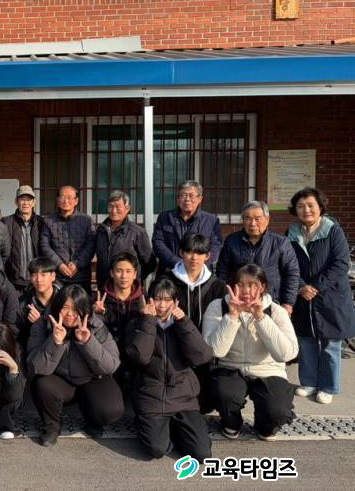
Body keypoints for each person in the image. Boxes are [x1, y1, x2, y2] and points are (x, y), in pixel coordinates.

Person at [203, 264, 298, 441]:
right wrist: (232, 316)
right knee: (224, 394)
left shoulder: (276, 311)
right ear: (232, 286)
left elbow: (287, 354)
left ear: (262, 287)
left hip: (268, 370)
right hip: (229, 367)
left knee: (277, 410)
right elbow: (215, 351)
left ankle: (265, 425)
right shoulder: (218, 307)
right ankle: (231, 422)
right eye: (240, 284)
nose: (246, 291)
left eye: (252, 285)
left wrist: (261, 317)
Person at [124, 278, 213, 462]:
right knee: (157, 449)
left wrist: (184, 323)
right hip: (151, 397)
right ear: (149, 300)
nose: (162, 305)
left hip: (183, 397)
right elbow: (141, 357)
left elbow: (202, 357)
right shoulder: (137, 323)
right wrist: (148, 321)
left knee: (202, 453)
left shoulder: (183, 323)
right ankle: (152, 426)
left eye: (167, 300)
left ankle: (172, 428)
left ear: (175, 302)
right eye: (157, 299)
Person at [27, 284, 124, 446]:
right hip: (59, 380)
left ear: (84, 309)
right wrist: (55, 342)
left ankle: (93, 421)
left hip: (91, 378)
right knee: (42, 385)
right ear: (57, 308)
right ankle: (51, 426)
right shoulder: (43, 324)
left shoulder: (97, 325)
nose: (70, 314)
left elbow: (111, 366)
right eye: (65, 308)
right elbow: (36, 367)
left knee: (111, 409)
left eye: (75, 308)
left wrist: (88, 342)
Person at [286, 187, 355, 405]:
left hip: (331, 295)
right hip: (303, 296)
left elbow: (341, 263)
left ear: (321, 207)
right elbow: (287, 263)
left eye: (310, 205)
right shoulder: (291, 232)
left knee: (330, 344)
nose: (306, 210)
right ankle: (309, 382)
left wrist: (315, 286)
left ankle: (328, 386)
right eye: (301, 206)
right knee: (306, 340)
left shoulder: (333, 230)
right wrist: (301, 286)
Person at [217, 201, 300, 314]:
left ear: (267, 219)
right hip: (240, 302)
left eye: (257, 219)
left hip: (271, 302)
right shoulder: (232, 241)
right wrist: (227, 296)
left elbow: (291, 273)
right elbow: (222, 271)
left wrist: (288, 303)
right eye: (248, 218)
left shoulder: (281, 242)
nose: (252, 223)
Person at [152, 180, 222, 276]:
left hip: (200, 273)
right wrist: (177, 263)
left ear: (200, 198)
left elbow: (215, 246)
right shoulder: (165, 217)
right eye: (183, 195)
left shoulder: (211, 220)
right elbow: (158, 243)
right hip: (169, 271)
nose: (187, 199)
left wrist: (197, 263)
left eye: (192, 196)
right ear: (177, 198)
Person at [160, 233, 226, 329]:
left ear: (207, 256)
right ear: (181, 253)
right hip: (174, 336)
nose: (194, 258)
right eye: (189, 252)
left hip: (205, 337)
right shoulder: (166, 281)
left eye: (199, 253)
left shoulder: (217, 286)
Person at [39, 185, 95, 291]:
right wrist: (59, 265)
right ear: (57, 200)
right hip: (57, 276)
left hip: (81, 275)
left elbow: (91, 245)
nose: (66, 201)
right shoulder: (48, 221)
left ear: (76, 201)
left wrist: (77, 264)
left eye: (69, 198)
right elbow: (45, 245)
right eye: (63, 197)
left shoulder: (86, 220)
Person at [95, 190, 154, 288]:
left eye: (118, 207)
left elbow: (150, 263)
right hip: (105, 287)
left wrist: (134, 278)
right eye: (111, 206)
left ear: (127, 208)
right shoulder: (101, 230)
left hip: (129, 289)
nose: (114, 211)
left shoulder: (136, 232)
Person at [92, 251, 144, 348]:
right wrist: (97, 314)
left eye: (128, 271)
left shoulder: (144, 299)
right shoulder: (100, 299)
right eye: (119, 271)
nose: (123, 276)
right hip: (108, 349)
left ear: (135, 274)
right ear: (112, 273)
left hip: (135, 350)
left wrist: (147, 317)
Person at [2, 185, 43, 295]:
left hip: (37, 281)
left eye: (29, 200)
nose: (25, 203)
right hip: (13, 281)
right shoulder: (6, 222)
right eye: (22, 199)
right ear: (16, 202)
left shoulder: (42, 223)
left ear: (34, 202)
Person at [18, 257, 60, 349]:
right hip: (32, 349)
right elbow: (19, 335)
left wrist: (40, 322)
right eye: (34, 275)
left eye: (43, 275)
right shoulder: (24, 302)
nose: (39, 280)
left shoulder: (63, 300)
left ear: (53, 276)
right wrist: (29, 323)